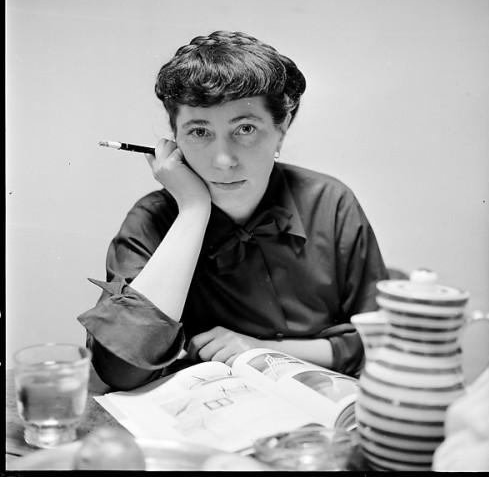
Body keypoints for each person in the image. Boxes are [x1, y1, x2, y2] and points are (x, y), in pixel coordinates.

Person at [78, 30, 389, 391]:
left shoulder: (331, 201)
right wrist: (193, 210)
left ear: (281, 128)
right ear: (173, 138)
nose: (223, 161)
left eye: (245, 128)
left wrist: (263, 351)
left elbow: (380, 341)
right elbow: (120, 370)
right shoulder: (152, 219)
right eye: (198, 132)